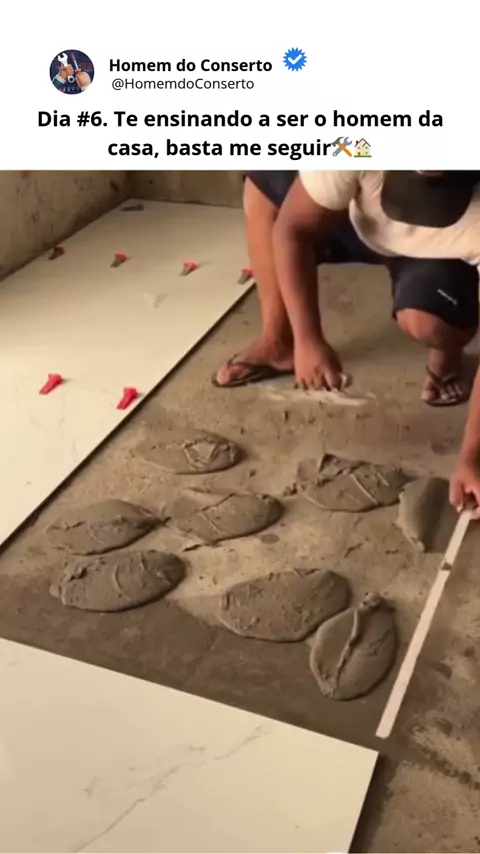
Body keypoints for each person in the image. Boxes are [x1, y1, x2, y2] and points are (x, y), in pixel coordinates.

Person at [213, 170, 480, 509]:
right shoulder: (359, 143)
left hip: (440, 250)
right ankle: (278, 341)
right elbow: (293, 229)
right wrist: (307, 339)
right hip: (359, 215)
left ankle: (448, 354)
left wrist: (472, 456)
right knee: (263, 185)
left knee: (430, 324)